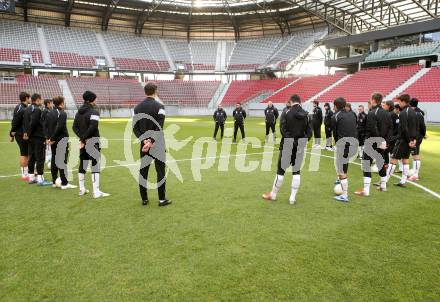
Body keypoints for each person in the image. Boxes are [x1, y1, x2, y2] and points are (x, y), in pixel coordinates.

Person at [262, 94, 311, 205]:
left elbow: (283, 130)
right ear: (300, 101)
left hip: (287, 145)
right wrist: (300, 142)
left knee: (280, 171)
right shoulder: (307, 115)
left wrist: (291, 141)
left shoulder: (286, 112)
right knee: (296, 171)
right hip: (300, 147)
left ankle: (273, 195)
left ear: (291, 101)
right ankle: (292, 198)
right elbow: (309, 133)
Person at [133, 83, 172, 207]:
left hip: (144, 145)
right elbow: (159, 126)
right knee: (160, 171)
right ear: (155, 91)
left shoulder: (137, 108)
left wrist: (144, 140)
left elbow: (135, 127)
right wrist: (151, 141)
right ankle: (161, 199)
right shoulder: (160, 106)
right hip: (158, 144)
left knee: (143, 171)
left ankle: (144, 198)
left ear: (145, 92)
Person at [72, 91, 109, 198]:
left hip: (84, 143)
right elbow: (93, 127)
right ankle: (96, 192)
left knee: (83, 163)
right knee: (95, 164)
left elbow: (74, 127)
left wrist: (82, 139)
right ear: (91, 100)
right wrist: (86, 139)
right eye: (95, 99)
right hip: (92, 141)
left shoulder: (78, 112)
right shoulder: (94, 112)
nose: (96, 101)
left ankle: (82, 189)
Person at [355, 93, 392, 196]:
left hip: (373, 142)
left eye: (370, 99)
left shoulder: (371, 113)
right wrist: (386, 142)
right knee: (380, 163)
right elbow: (390, 129)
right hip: (383, 143)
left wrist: (380, 141)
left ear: (374, 100)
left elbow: (373, 128)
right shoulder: (387, 113)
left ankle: (366, 190)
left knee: (366, 164)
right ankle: (383, 186)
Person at [385, 94, 418, 187]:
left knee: (394, 159)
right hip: (409, 140)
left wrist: (408, 141)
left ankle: (384, 181)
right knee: (405, 159)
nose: (398, 104)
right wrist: (414, 139)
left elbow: (404, 128)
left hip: (403, 140)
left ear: (403, 101)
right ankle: (403, 181)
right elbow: (416, 127)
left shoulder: (403, 113)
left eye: (399, 101)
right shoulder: (412, 111)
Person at [46, 96, 77, 190]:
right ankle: (64, 183)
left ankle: (54, 182)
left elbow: (46, 126)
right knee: (62, 161)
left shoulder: (49, 112)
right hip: (61, 140)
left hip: (54, 141)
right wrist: (52, 138)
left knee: (55, 160)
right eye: (64, 101)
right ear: (61, 103)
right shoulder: (62, 113)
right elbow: (59, 128)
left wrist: (49, 138)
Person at [332, 97, 358, 202]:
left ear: (335, 106)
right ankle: (342, 186)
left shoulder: (335, 116)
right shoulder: (352, 114)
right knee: (344, 167)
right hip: (353, 144)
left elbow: (335, 133)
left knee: (341, 170)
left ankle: (344, 195)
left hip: (342, 145)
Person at [23, 93, 52, 186]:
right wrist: (29, 133)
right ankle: (40, 179)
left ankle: (31, 177)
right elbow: (33, 123)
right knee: (40, 158)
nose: (42, 101)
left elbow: (25, 123)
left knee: (32, 157)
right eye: (41, 99)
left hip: (31, 138)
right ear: (38, 100)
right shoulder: (37, 110)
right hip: (38, 137)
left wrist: (27, 133)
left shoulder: (27, 108)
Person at [9, 92, 31, 180]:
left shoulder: (22, 107)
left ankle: (27, 172)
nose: (30, 99)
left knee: (27, 153)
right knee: (24, 154)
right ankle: (24, 174)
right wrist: (11, 133)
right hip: (21, 135)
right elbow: (15, 122)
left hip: (22, 134)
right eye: (29, 98)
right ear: (26, 98)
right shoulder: (21, 109)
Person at [408, 98, 426, 181]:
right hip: (417, 136)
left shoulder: (416, 114)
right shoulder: (419, 113)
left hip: (415, 137)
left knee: (415, 155)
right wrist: (423, 134)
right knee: (415, 154)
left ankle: (415, 175)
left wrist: (422, 134)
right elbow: (423, 126)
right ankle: (415, 172)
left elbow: (422, 126)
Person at [42, 99, 54, 167]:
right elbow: (45, 125)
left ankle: (49, 162)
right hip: (48, 134)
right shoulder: (46, 111)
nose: (52, 104)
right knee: (48, 150)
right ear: (48, 104)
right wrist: (46, 136)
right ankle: (49, 162)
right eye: (51, 103)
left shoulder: (48, 111)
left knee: (49, 149)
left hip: (49, 133)